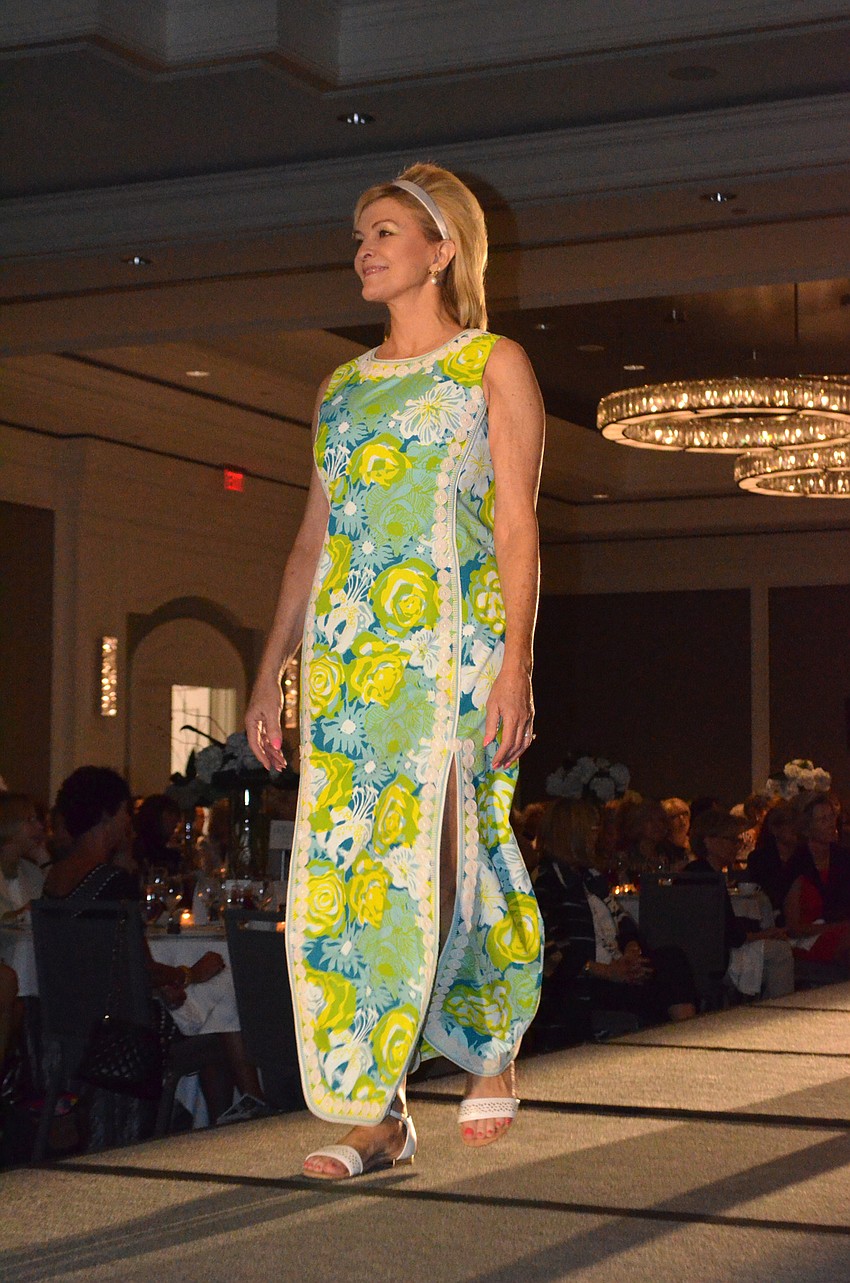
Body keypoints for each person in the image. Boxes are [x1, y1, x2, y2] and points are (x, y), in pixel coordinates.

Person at [246, 162, 545, 1179]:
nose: (364, 250)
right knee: (350, 878)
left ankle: (490, 1033)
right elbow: (308, 543)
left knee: (453, 847)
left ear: (441, 249)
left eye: (384, 231)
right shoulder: (339, 388)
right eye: (359, 236)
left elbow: (515, 522)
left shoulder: (489, 364)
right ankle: (378, 1119)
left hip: (455, 653)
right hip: (348, 670)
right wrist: (268, 672)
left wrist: (515, 665)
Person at [46, 767, 267, 1125]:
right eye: (124, 813)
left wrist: (171, 982)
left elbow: (103, 959)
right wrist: (187, 973)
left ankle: (226, 1117)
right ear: (107, 815)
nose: (127, 824)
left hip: (77, 1014)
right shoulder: (110, 882)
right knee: (221, 989)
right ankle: (248, 1105)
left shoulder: (56, 876)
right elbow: (137, 967)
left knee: (213, 997)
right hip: (126, 1024)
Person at [533, 799, 696, 1049]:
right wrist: (608, 971)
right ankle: (678, 1043)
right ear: (571, 834)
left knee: (672, 959)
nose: (596, 836)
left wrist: (631, 950)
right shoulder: (546, 881)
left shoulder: (590, 876)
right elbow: (549, 955)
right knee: (655, 992)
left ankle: (686, 1042)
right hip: (585, 978)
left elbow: (622, 919)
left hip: (614, 965)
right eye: (591, 829)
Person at [687, 809, 795, 999]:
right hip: (712, 957)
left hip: (706, 951)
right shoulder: (707, 879)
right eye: (731, 840)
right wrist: (764, 934)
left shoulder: (700, 873)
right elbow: (730, 935)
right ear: (709, 841)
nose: (737, 846)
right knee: (780, 951)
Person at [782, 794, 850, 969]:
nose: (830, 824)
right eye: (822, 820)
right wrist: (836, 927)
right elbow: (794, 927)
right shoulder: (797, 865)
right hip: (809, 938)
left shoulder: (843, 857)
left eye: (831, 817)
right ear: (807, 828)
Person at [0, 794, 46, 920]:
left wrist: (44, 859)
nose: (40, 827)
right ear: (7, 824)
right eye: (30, 820)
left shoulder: (33, 872)